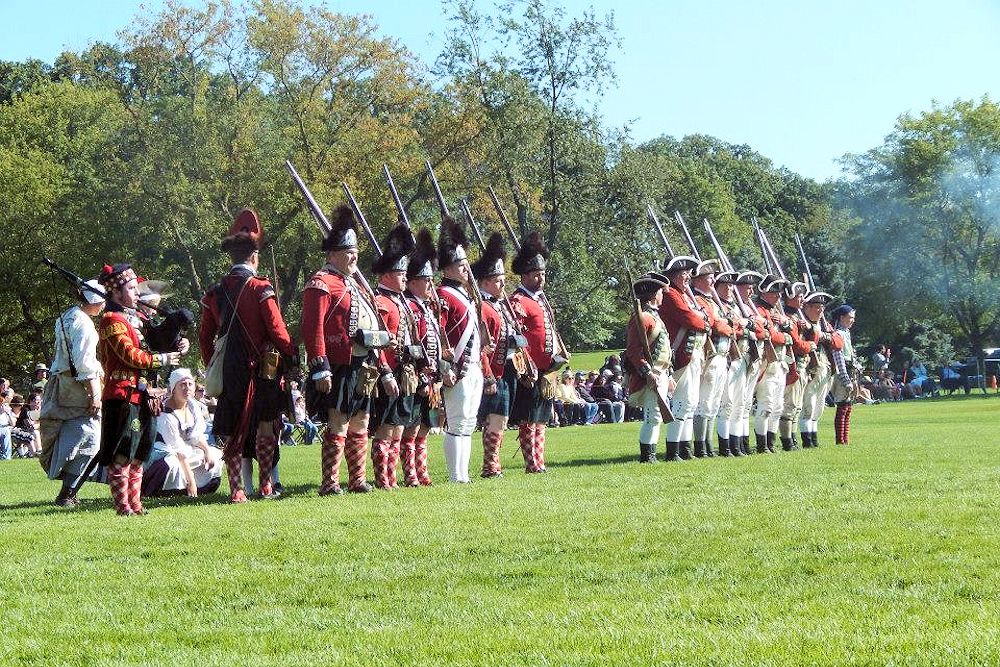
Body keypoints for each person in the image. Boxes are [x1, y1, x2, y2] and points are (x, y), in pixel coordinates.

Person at [199, 209, 295, 503]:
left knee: (232, 428)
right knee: (265, 425)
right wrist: (292, 358)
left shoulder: (215, 291)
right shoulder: (260, 287)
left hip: (230, 370)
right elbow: (278, 331)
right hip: (262, 368)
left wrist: (213, 365)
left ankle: (237, 489)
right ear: (254, 257)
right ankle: (266, 485)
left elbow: (205, 337)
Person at [302, 205, 391, 495]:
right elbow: (312, 328)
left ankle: (357, 479)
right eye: (347, 251)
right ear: (332, 254)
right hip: (338, 362)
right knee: (338, 421)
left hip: (363, 363)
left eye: (355, 251)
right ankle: (330, 482)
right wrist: (320, 366)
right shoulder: (321, 283)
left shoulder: (355, 284)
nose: (354, 256)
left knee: (361, 420)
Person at [96, 263, 185, 515]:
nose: (137, 293)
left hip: (146, 394)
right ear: (116, 292)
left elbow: (156, 343)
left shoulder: (137, 319)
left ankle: (136, 503)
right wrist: (165, 359)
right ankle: (122, 506)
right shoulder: (111, 320)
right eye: (133, 288)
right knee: (123, 453)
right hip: (123, 394)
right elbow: (130, 355)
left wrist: (177, 339)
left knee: (140, 452)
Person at [510, 232, 567, 473]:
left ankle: (539, 460)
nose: (541, 278)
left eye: (543, 274)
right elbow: (517, 336)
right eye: (536, 274)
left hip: (548, 368)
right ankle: (531, 462)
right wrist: (527, 364)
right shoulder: (518, 300)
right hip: (530, 369)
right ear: (524, 275)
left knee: (542, 418)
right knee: (528, 418)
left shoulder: (541, 299)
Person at [436, 217, 483, 483]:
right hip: (457, 367)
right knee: (457, 421)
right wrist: (445, 367)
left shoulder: (465, 295)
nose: (465, 268)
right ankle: (456, 476)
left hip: (473, 365)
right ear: (447, 269)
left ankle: (463, 475)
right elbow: (440, 332)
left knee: (468, 422)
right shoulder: (444, 295)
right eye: (460, 264)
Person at [472, 232, 522, 478]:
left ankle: (494, 464)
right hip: (493, 371)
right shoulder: (484, 307)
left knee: (501, 420)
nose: (503, 285)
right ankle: (490, 466)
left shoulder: (501, 306)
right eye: (498, 280)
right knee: (494, 419)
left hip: (507, 368)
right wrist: (489, 375)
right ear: (484, 282)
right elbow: (482, 346)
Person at [370, 223, 416, 490]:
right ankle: (382, 478)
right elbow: (379, 343)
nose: (405, 278)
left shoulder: (400, 301)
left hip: (406, 371)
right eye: (400, 273)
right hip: (390, 369)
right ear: (387, 274)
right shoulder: (381, 302)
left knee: (399, 427)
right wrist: (386, 370)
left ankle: (392, 477)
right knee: (387, 428)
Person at [657, 255, 711, 461]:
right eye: (683, 273)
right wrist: (703, 321)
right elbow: (691, 320)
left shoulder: (683, 295)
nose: (688, 276)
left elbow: (702, 317)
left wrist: (702, 319)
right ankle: (674, 450)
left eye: (688, 273)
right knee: (681, 404)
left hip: (694, 354)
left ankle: (684, 449)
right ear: (674, 275)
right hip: (681, 355)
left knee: (690, 404)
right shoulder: (670, 294)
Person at [401, 228, 444, 487]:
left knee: (425, 428)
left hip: (430, 378)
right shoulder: (411, 308)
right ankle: (410, 474)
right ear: (413, 281)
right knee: (412, 428)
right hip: (416, 376)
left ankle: (421, 470)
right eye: (426, 280)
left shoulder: (427, 308)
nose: (431, 285)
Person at [144, 368, 223, 497]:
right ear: (173, 389)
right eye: (182, 385)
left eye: (190, 384)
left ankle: (202, 487)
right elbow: (177, 448)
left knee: (214, 454)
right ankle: (171, 489)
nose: (187, 388)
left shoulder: (193, 406)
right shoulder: (165, 413)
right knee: (172, 464)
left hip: (187, 449)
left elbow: (196, 436)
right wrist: (190, 480)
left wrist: (207, 451)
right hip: (165, 450)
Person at [624, 272, 673, 462]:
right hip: (651, 374)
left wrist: (668, 375)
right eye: (661, 292)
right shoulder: (643, 318)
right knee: (652, 416)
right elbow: (634, 352)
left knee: (656, 415)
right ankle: (648, 456)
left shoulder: (654, 317)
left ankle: (650, 454)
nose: (663, 295)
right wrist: (647, 372)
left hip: (661, 372)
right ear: (654, 295)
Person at [690, 260, 735, 458]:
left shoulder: (711, 300)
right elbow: (717, 325)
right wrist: (730, 324)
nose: (714, 280)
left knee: (714, 403)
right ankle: (701, 446)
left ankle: (707, 444)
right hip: (712, 356)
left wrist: (728, 323)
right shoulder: (699, 300)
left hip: (722, 356)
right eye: (709, 277)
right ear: (699, 280)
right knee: (704, 402)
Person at [751, 275, 795, 454]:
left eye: (779, 292)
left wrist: (786, 325)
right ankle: (762, 445)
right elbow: (769, 335)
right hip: (767, 365)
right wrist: (785, 336)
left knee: (777, 407)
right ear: (764, 292)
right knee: (766, 405)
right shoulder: (759, 310)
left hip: (780, 364)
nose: (778, 295)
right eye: (774, 291)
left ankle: (771, 442)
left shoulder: (777, 312)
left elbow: (791, 330)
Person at [798, 291, 843, 447]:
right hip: (810, 369)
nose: (820, 311)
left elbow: (838, 342)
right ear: (807, 307)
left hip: (826, 368)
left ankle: (814, 439)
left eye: (822, 307)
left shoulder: (824, 325)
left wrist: (824, 335)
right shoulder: (801, 323)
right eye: (816, 307)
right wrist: (817, 334)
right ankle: (807, 440)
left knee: (819, 406)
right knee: (808, 405)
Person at [777, 282, 817, 451]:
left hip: (802, 365)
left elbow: (813, 335)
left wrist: (810, 328)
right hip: (793, 365)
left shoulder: (797, 318)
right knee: (791, 404)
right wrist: (811, 346)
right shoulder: (787, 318)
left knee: (797, 406)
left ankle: (792, 439)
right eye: (799, 296)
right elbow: (797, 345)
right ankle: (787, 441)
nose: (802, 300)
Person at [829, 304, 859, 445]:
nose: (852, 320)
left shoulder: (846, 332)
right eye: (850, 317)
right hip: (843, 371)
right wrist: (845, 378)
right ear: (841, 317)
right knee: (842, 406)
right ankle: (840, 440)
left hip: (850, 370)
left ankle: (845, 439)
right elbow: (839, 357)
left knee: (848, 406)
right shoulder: (838, 334)